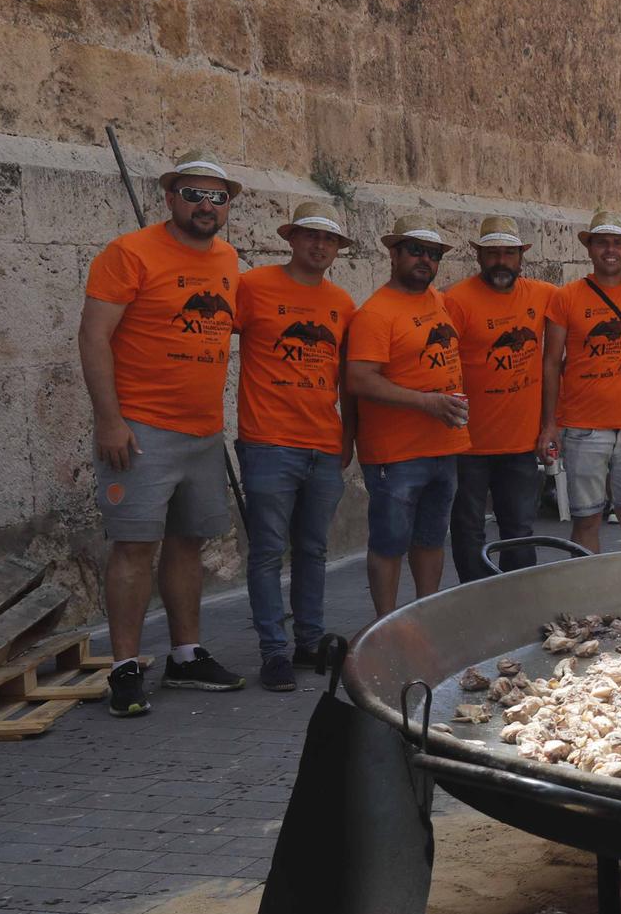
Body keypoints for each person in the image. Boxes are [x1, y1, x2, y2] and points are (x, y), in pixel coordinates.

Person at [77, 151, 249, 715]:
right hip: (141, 429)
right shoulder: (129, 253)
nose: (206, 204)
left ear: (227, 208)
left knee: (187, 545)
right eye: (194, 194)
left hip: (203, 432)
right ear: (170, 198)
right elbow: (94, 337)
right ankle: (125, 666)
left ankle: (185, 655)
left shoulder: (228, 258)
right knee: (133, 547)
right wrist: (110, 420)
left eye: (217, 196)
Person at [234, 201, 357, 692]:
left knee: (313, 549)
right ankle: (273, 652)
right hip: (268, 442)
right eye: (310, 236)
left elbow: (346, 379)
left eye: (328, 240)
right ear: (291, 239)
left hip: (323, 444)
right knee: (266, 551)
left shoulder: (342, 304)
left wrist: (347, 436)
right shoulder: (252, 287)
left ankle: (308, 640)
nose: (319, 246)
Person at [345, 213, 471, 618]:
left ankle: (426, 618)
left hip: (443, 445)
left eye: (433, 254)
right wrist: (427, 403)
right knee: (389, 542)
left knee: (432, 539)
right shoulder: (376, 313)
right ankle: (386, 626)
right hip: (395, 454)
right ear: (393, 253)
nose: (425, 260)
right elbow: (360, 380)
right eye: (415, 251)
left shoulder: (438, 301)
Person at [540, 211, 621, 553]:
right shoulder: (566, 297)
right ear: (590, 248)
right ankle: (586, 601)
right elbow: (551, 362)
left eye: (618, 244)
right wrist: (549, 424)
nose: (610, 250)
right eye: (602, 243)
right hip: (583, 426)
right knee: (586, 520)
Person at [440, 216, 554, 582]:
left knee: (519, 531)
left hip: (520, 443)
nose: (501, 261)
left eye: (508, 253)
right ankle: (476, 601)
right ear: (479, 257)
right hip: (468, 444)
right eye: (492, 254)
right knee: (468, 530)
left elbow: (589, 295)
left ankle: (516, 601)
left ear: (521, 257)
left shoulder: (542, 295)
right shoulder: (456, 300)